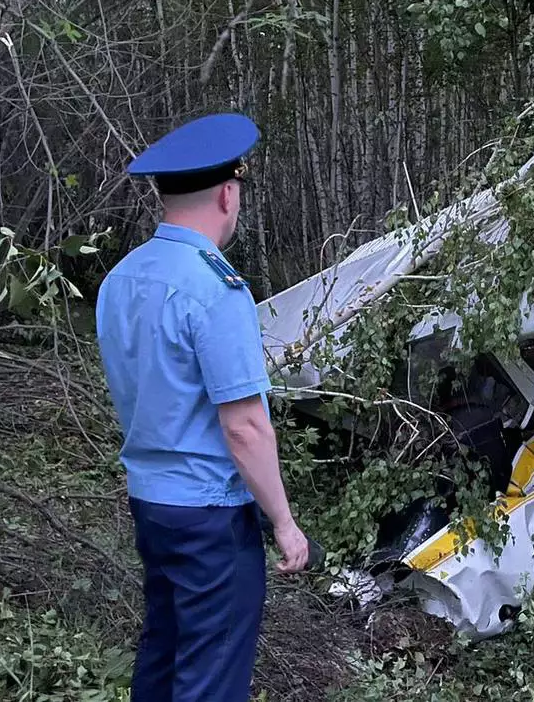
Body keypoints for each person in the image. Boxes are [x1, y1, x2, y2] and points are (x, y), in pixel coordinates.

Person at [94, 112, 308, 702]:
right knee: (211, 677)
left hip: (151, 503)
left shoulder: (121, 280)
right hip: (210, 515)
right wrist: (285, 526)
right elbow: (244, 427)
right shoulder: (215, 289)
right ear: (228, 193)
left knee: (164, 654)